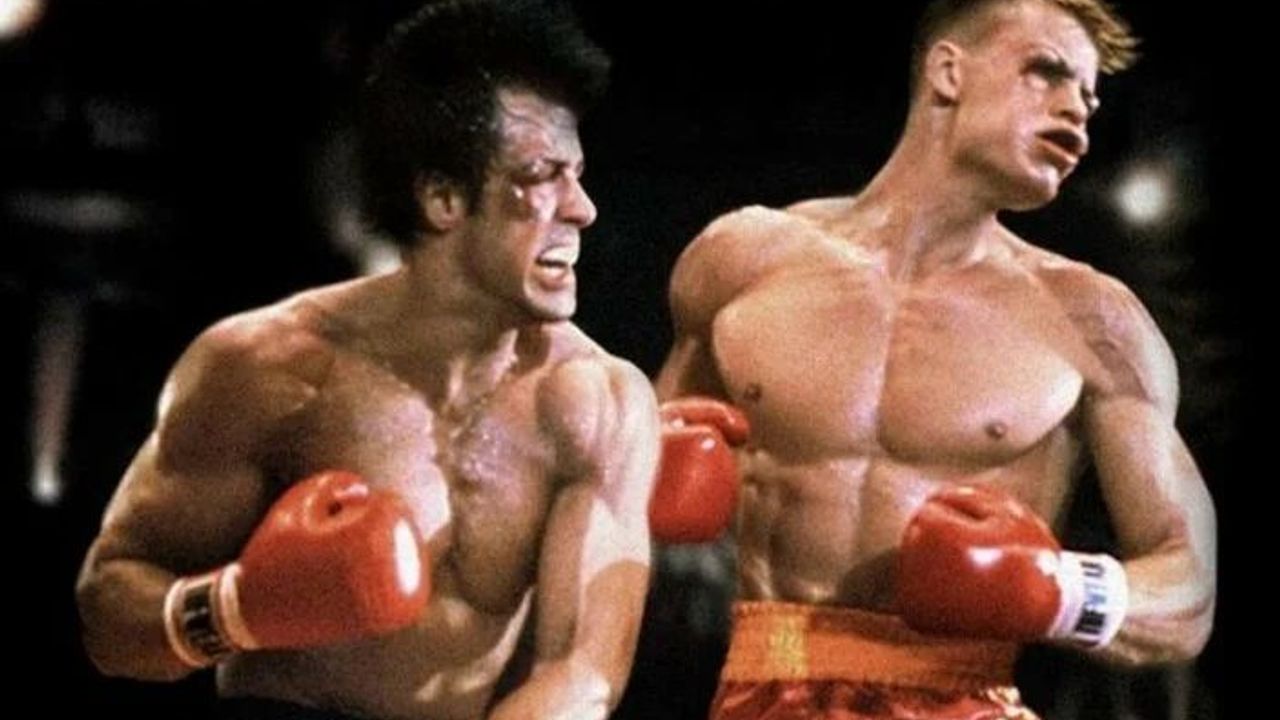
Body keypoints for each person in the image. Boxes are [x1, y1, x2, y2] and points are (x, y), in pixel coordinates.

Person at [75, 2, 660, 718]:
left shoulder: (595, 403)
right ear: (443, 198)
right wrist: (235, 609)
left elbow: (581, 675)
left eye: (579, 175)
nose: (582, 209)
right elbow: (108, 616)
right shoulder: (271, 369)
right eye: (543, 175)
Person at [650, 0, 1217, 717]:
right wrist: (648, 476)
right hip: (761, 692)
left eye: (1089, 95)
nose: (1077, 110)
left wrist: (1057, 590)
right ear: (949, 71)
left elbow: (1188, 591)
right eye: (1047, 72)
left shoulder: (1093, 321)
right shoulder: (741, 261)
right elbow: (625, 509)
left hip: (961, 699)